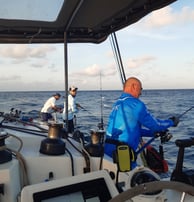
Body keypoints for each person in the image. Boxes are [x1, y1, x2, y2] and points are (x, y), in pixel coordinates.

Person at [104, 77, 179, 168]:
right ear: (134, 86)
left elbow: (133, 129)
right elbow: (155, 125)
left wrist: (153, 133)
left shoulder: (118, 103)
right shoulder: (135, 104)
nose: (141, 93)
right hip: (122, 154)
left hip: (108, 152)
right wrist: (171, 122)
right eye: (141, 89)